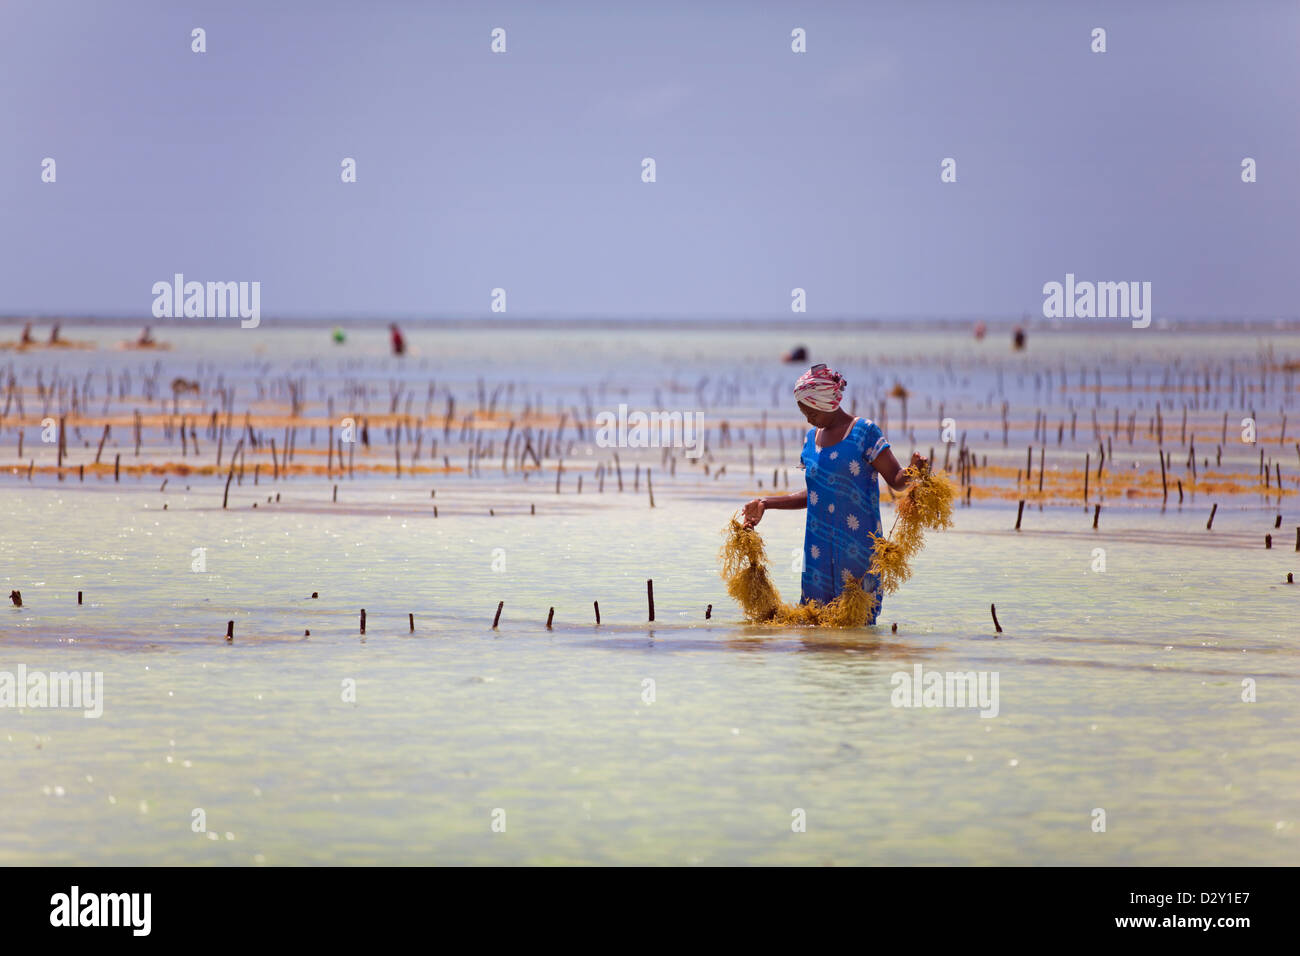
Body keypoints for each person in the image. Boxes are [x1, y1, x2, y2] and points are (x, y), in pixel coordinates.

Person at [741, 364, 925, 623]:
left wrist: (913, 471)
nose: (807, 418)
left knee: (857, 624)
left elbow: (896, 480)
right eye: (803, 411)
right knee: (815, 624)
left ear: (825, 402)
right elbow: (816, 493)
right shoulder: (810, 439)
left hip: (858, 548)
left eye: (809, 410)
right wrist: (765, 503)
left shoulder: (864, 432)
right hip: (817, 551)